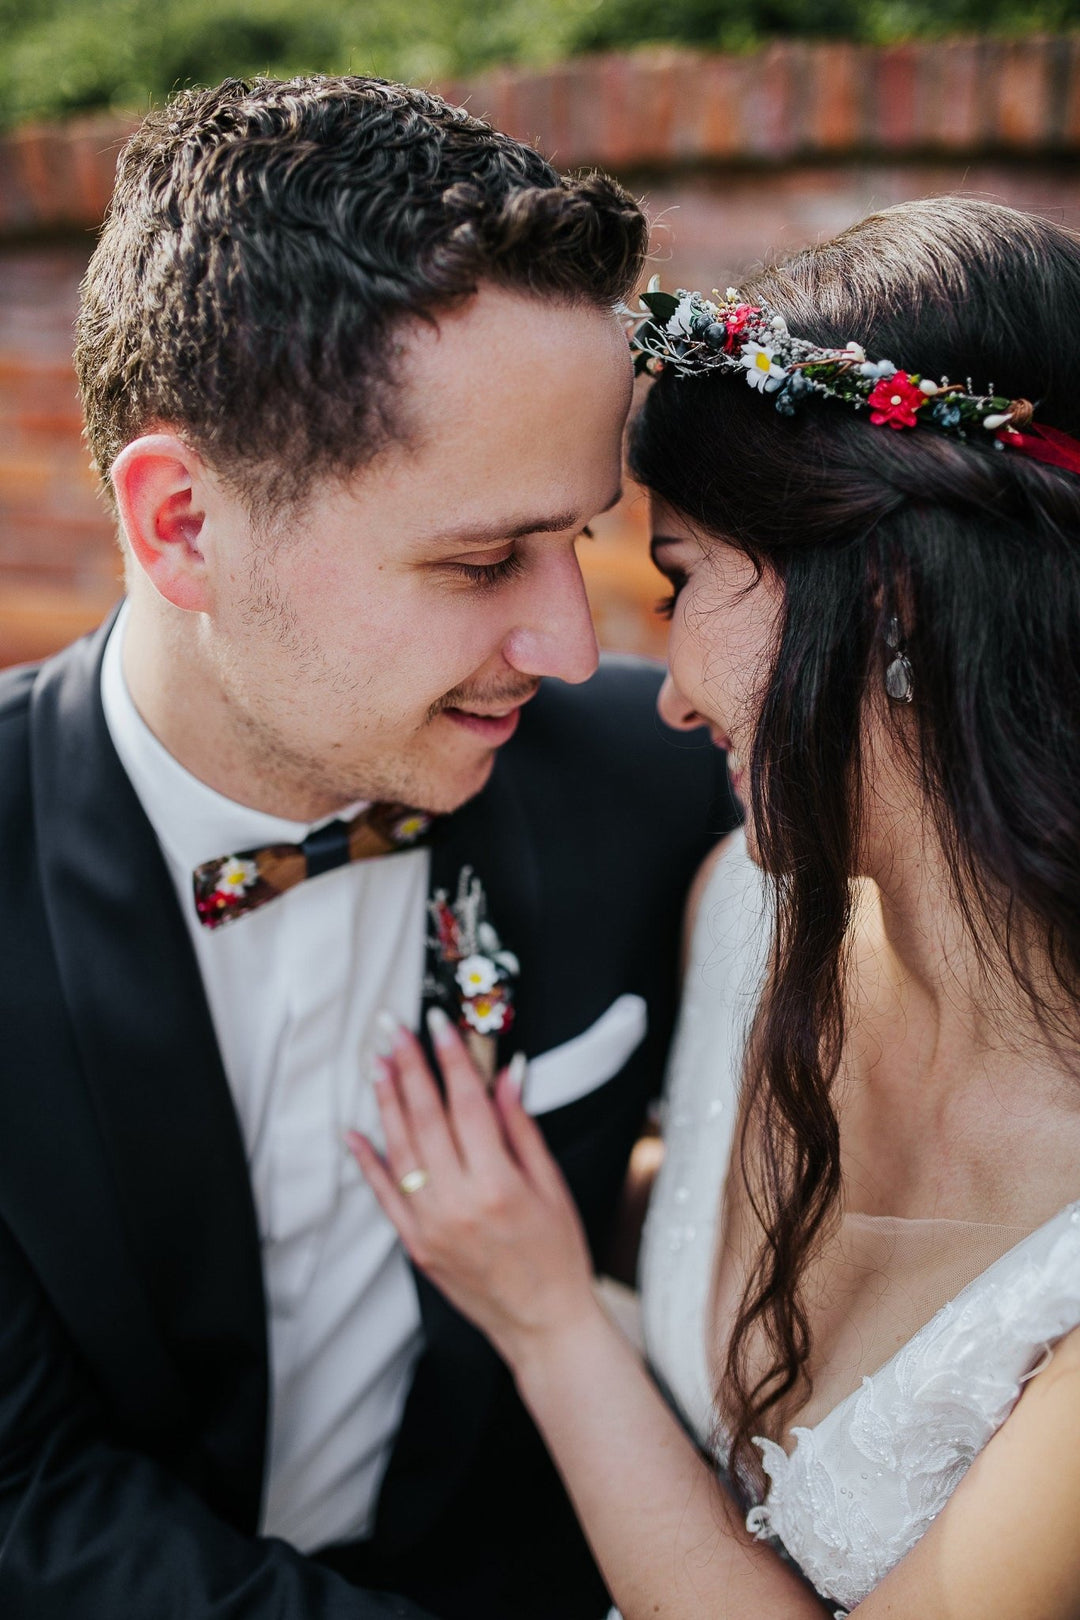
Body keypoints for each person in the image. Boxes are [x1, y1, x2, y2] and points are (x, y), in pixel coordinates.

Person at [0, 76, 735, 1619]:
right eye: (480, 561)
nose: (565, 644)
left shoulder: (668, 783)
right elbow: (29, 1497)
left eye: (577, 538)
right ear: (184, 524)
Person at [351, 195, 1080, 1618]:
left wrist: (550, 1323)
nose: (667, 695)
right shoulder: (735, 911)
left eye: (678, 581)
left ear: (889, 602)